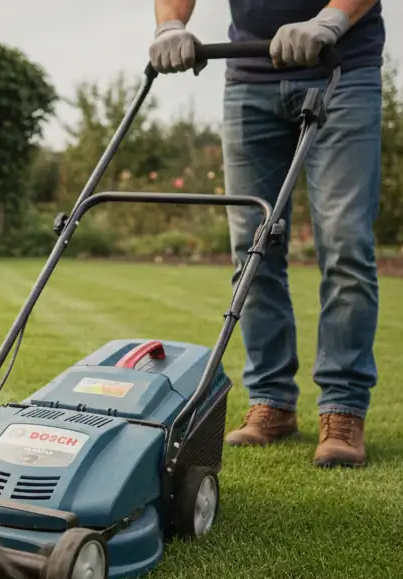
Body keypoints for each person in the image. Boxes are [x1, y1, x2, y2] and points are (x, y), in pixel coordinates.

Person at [149, 0, 384, 468]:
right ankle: (271, 402)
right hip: (248, 81)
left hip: (342, 71)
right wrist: (170, 24)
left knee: (344, 242)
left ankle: (342, 411)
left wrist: (329, 20)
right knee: (251, 249)